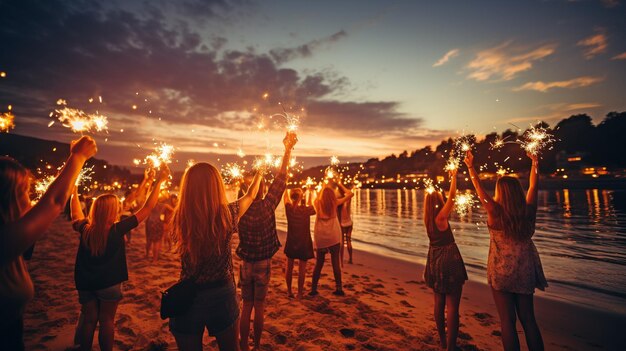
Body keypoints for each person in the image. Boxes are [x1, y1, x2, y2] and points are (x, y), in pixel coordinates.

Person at [0, 136, 97, 351]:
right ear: (9, 200)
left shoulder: (13, 241)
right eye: (26, 192)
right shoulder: (4, 242)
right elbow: (54, 201)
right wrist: (79, 156)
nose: (32, 199)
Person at [70, 165, 170, 351]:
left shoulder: (85, 229)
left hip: (85, 283)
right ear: (112, 212)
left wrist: (73, 189)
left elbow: (76, 213)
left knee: (89, 320)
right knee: (107, 321)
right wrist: (159, 181)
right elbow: (147, 208)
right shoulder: (118, 230)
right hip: (110, 284)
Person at [169, 162, 262, 351]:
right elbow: (251, 195)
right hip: (221, 293)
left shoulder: (181, 215)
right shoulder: (226, 213)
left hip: (188, 293)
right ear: (216, 185)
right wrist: (260, 171)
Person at [464, 150, 547, 351]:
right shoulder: (528, 211)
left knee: (507, 321)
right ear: (518, 191)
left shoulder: (495, 212)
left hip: (500, 272)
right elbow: (534, 186)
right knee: (528, 320)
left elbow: (478, 189)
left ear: (500, 192)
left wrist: (470, 167)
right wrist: (535, 163)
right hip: (524, 271)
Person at [237, 132, 298, 351]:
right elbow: (281, 179)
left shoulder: (239, 210)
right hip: (263, 264)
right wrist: (287, 150)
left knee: (246, 307)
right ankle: (256, 346)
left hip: (245, 265)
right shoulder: (267, 205)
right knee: (259, 307)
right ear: (262, 188)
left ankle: (243, 345)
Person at [422, 168, 468, 351]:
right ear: (438, 200)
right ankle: (450, 346)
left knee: (438, 303)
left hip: (433, 259)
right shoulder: (441, 216)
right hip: (448, 260)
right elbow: (453, 197)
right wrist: (454, 177)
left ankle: (442, 341)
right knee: (453, 307)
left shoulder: (427, 218)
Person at [310, 181, 353, 297]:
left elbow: (315, 197)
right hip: (333, 237)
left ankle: (313, 289)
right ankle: (339, 288)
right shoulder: (335, 203)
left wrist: (322, 187)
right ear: (332, 196)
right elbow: (350, 194)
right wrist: (340, 184)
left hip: (321, 237)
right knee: (335, 264)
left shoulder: (317, 203)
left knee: (319, 263)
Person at [283, 188, 315, 298]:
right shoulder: (306, 210)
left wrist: (285, 187)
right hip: (303, 242)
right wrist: (310, 194)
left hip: (292, 241)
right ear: (301, 197)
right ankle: (300, 293)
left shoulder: (289, 208)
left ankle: (289, 291)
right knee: (302, 269)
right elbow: (313, 207)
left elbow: (285, 198)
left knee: (289, 267)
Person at [337, 183, 354, 264]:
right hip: (349, 223)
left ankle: (341, 261)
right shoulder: (348, 199)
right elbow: (350, 193)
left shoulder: (339, 201)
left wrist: (339, 185)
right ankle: (350, 259)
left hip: (342, 224)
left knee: (341, 242)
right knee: (349, 241)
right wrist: (341, 185)